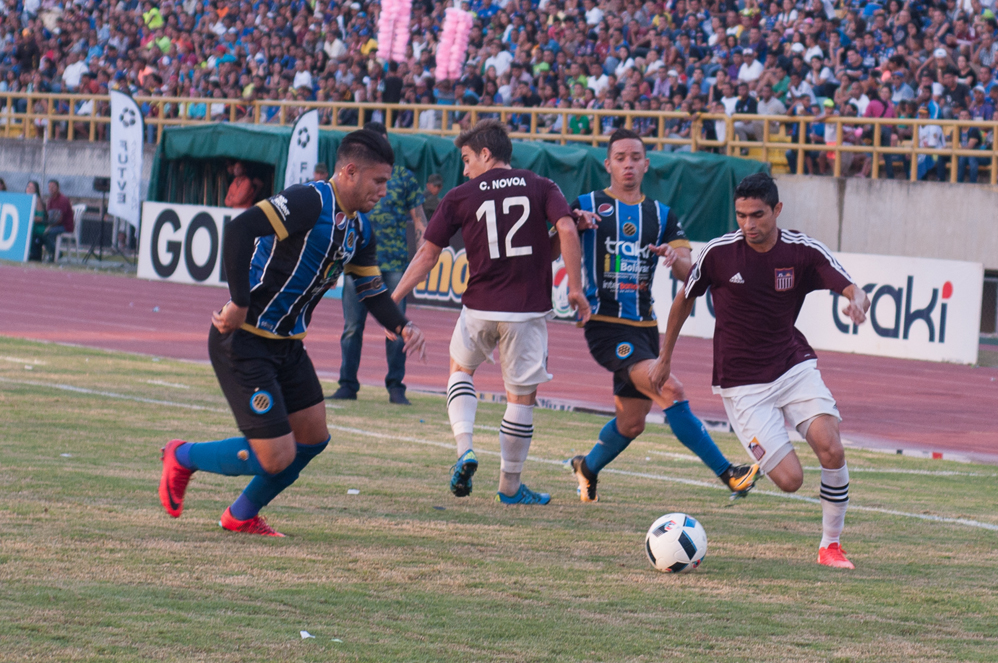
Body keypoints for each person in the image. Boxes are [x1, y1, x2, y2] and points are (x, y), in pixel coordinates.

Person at [158, 130, 427, 537]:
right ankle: (182, 456)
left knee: (313, 438)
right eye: (378, 181)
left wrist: (400, 325)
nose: (384, 191)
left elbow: (370, 289)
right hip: (244, 339)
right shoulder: (309, 201)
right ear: (350, 172)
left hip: (287, 347)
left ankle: (240, 515)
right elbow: (240, 230)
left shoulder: (360, 229)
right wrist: (240, 301)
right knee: (277, 456)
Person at [660, 173, 871, 569]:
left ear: (777, 210)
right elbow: (683, 301)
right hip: (742, 385)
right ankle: (765, 449)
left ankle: (831, 546)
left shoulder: (802, 250)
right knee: (791, 481)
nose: (748, 225)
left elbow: (852, 287)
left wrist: (858, 302)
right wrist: (664, 358)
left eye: (757, 215)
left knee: (832, 446)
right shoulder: (719, 254)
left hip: (793, 366)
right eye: (740, 216)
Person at [392, 119, 589, 505]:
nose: (464, 169)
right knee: (520, 398)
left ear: (485, 153)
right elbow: (564, 230)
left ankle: (465, 447)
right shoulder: (540, 185)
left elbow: (428, 254)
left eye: (466, 159)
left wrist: (394, 297)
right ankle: (510, 487)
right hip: (527, 311)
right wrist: (577, 288)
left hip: (479, 307)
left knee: (460, 370)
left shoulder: (460, 195)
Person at [568, 129, 759, 503]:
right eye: (620, 157)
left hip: (645, 327)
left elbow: (689, 269)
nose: (628, 164)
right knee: (670, 388)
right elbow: (552, 243)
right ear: (608, 164)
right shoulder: (586, 205)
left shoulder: (661, 215)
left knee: (632, 422)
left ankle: (586, 468)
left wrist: (676, 260)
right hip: (606, 327)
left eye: (635, 157)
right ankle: (730, 474)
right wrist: (571, 225)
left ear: (646, 164)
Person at [330, 122, 427, 405]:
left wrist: (423, 248)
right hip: (356, 261)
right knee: (351, 327)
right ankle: (347, 384)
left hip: (395, 262)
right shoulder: (355, 176)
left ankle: (396, 385)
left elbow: (418, 216)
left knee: (396, 327)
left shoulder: (404, 178)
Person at [42, 179, 73, 262]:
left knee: (47, 234)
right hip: (55, 225)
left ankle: (56, 253)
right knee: (42, 233)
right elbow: (48, 215)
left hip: (65, 226)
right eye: (49, 187)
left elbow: (60, 219)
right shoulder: (51, 200)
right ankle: (55, 252)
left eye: (53, 187)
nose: (51, 189)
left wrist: (49, 226)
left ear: (58, 188)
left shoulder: (63, 200)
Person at [26, 180, 46, 261]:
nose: (29, 189)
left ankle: (34, 254)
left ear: (36, 190)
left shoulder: (37, 200)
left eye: (32, 188)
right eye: (28, 187)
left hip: (37, 227)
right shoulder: (25, 199)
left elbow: (40, 218)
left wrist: (30, 218)